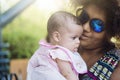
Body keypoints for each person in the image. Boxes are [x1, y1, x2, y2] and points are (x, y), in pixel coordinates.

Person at [27, 11, 87, 80]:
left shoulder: (47, 50)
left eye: (79, 38)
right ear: (57, 37)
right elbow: (68, 74)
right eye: (74, 38)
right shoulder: (60, 54)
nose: (78, 42)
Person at [70, 0, 120, 80]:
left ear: (110, 32)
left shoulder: (116, 65)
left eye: (97, 25)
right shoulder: (63, 43)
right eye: (83, 17)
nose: (85, 27)